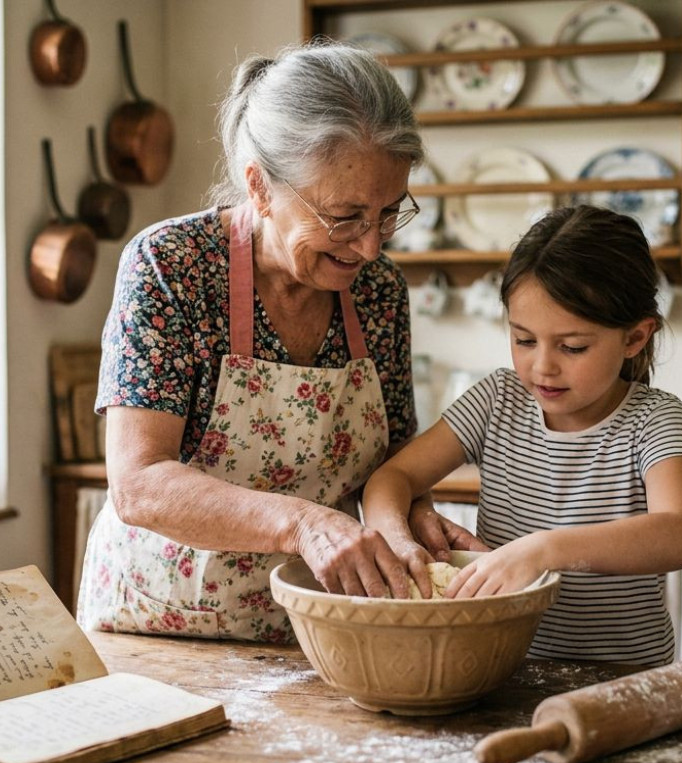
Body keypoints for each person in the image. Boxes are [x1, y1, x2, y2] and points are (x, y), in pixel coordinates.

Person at [76, 43, 464, 644]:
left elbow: (390, 464)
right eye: (345, 216)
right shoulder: (171, 266)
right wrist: (304, 524)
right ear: (259, 187)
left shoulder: (379, 292)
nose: (369, 248)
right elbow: (140, 483)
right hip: (160, 627)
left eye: (388, 214)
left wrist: (413, 523)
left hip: (313, 628)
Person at [362, 205, 682, 666]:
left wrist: (543, 549)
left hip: (620, 680)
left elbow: (679, 533)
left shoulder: (654, 420)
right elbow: (393, 478)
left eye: (572, 347)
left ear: (634, 338)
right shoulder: (496, 401)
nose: (542, 366)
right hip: (498, 665)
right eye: (524, 340)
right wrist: (397, 539)